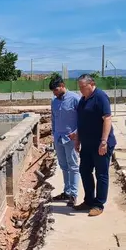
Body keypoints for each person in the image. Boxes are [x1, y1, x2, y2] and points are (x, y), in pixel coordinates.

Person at [72, 74, 116, 217]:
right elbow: (81, 122)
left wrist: (104, 142)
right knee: (84, 171)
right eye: (79, 87)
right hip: (87, 144)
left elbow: (107, 119)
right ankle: (89, 200)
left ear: (91, 84)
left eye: (83, 87)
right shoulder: (83, 100)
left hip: (100, 144)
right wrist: (77, 140)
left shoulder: (100, 97)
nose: (81, 90)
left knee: (101, 174)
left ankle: (99, 204)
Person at [49, 76, 80, 207]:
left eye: (56, 90)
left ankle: (73, 194)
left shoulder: (75, 99)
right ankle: (66, 192)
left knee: (73, 165)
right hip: (58, 138)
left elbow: (83, 118)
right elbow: (53, 119)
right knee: (63, 166)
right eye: (53, 91)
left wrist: (78, 133)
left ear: (62, 86)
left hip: (71, 138)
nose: (55, 93)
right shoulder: (54, 102)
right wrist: (54, 133)